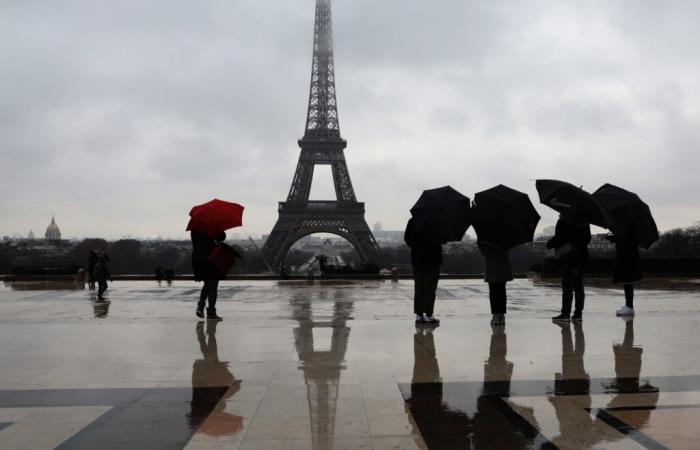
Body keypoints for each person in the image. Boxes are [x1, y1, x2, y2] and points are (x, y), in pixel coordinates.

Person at [548, 214, 591, 322]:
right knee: (578, 286)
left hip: (570, 257)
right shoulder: (584, 221)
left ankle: (565, 313)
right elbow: (587, 239)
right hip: (582, 256)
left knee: (567, 286)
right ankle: (578, 314)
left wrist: (550, 244)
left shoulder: (564, 220)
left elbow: (560, 237)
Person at [404, 217, 442, 324]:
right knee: (430, 289)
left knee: (419, 289)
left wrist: (416, 247)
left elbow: (407, 238)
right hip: (432, 260)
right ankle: (429, 315)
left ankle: (419, 315)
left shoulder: (413, 220)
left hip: (417, 259)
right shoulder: (437, 221)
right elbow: (443, 239)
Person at [605, 228, 641, 316]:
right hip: (628, 255)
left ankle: (629, 306)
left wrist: (611, 238)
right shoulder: (629, 225)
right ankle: (628, 306)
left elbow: (623, 238)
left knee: (627, 281)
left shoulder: (627, 226)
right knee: (627, 282)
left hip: (627, 256)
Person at [191, 230, 227, 321]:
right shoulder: (211, 226)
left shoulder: (195, 229)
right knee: (213, 286)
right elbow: (221, 237)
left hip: (199, 260)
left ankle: (200, 306)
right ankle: (211, 312)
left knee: (207, 284)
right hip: (210, 258)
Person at [478, 241, 512, 326]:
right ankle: (501, 315)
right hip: (502, 263)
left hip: (491, 262)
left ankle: (496, 315)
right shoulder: (505, 232)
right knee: (502, 290)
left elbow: (481, 248)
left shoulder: (484, 232)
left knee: (493, 291)